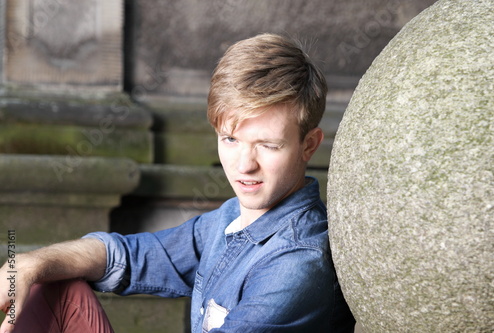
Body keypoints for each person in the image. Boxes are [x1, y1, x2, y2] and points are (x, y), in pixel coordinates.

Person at [0, 33, 355, 332]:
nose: (245, 165)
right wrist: (30, 264)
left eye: (267, 145)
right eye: (230, 140)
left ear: (308, 145)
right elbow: (127, 256)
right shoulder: (231, 219)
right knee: (56, 282)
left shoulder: (298, 262)